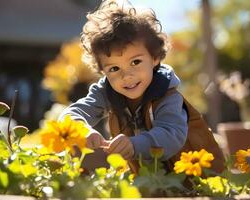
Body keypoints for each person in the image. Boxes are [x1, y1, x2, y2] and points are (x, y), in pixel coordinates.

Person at [60, 0, 224, 173]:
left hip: (195, 176)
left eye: (135, 62)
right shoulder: (106, 91)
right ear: (103, 71)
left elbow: (171, 135)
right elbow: (71, 114)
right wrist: (83, 130)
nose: (126, 75)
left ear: (155, 58)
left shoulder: (167, 95)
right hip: (151, 179)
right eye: (114, 68)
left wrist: (133, 144)